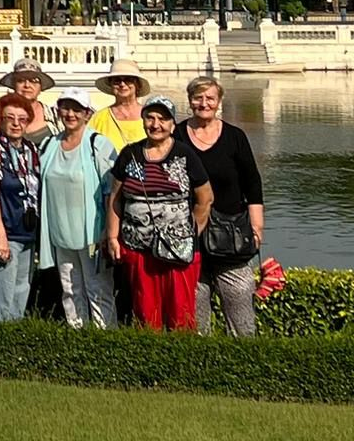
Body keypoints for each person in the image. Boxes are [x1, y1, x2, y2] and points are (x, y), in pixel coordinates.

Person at [105, 94, 213, 330]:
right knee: (145, 312)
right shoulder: (129, 154)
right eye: (150, 118)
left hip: (178, 250)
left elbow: (205, 198)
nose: (155, 124)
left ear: (172, 124)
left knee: (181, 314)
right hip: (138, 248)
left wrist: (189, 232)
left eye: (162, 119)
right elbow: (115, 198)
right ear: (142, 120)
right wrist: (113, 237)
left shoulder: (184, 155)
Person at [178, 76, 264, 336]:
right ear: (190, 100)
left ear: (219, 102)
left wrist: (257, 227)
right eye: (198, 98)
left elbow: (253, 183)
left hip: (232, 232)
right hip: (189, 232)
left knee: (241, 314)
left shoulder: (234, 137)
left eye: (210, 98)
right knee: (194, 311)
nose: (203, 103)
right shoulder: (178, 135)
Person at [37, 87, 117, 329]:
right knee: (69, 288)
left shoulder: (98, 144)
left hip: (91, 232)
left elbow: (110, 189)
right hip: (60, 231)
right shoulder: (49, 144)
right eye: (65, 108)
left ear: (87, 113)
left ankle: (104, 336)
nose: (70, 114)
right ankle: (77, 332)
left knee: (98, 288)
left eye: (76, 109)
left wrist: (108, 232)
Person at [0, 94, 42, 322]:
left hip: (26, 232)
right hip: (2, 232)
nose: (16, 124)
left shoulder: (32, 151)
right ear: (0, 120)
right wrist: (0, 238)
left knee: (20, 292)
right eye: (10, 118)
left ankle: (14, 342)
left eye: (22, 119)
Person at [91, 59, 150, 149]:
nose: (122, 84)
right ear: (111, 84)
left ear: (137, 84)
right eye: (117, 80)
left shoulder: (150, 116)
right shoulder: (98, 119)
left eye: (128, 80)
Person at [0, 58, 55, 144]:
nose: (27, 85)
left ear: (41, 87)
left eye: (33, 81)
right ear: (14, 85)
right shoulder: (1, 115)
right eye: (21, 80)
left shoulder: (55, 116)